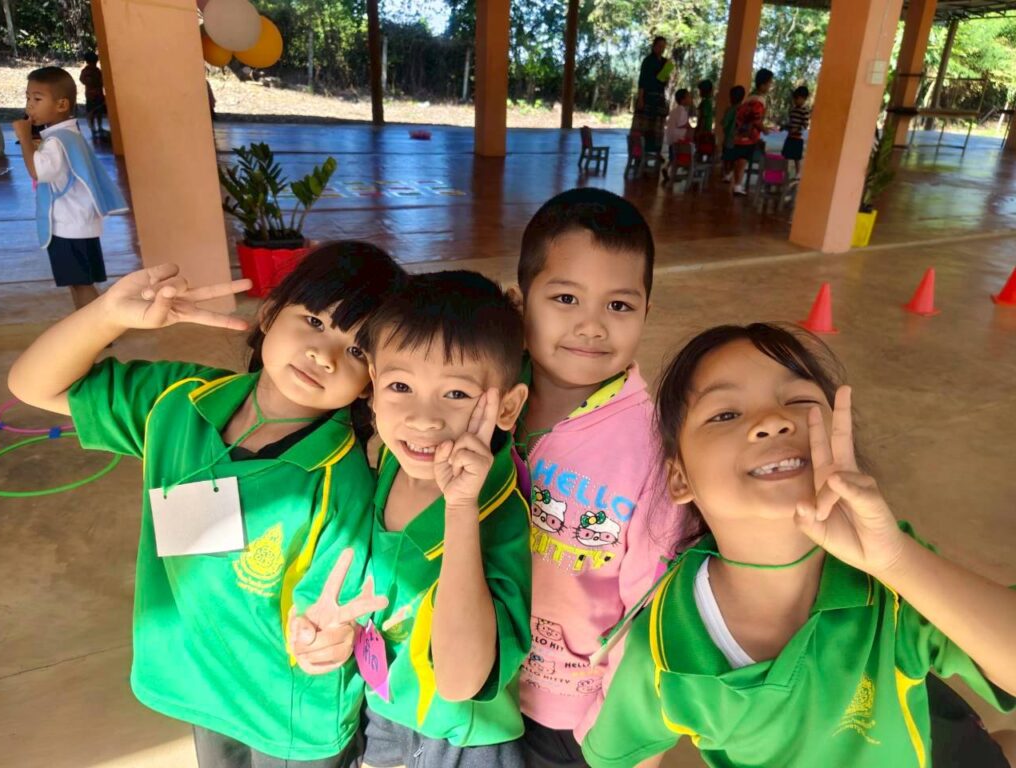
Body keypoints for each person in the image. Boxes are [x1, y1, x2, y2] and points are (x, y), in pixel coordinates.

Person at [7, 242, 407, 768]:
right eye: (314, 321)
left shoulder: (341, 482)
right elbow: (33, 384)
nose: (324, 355)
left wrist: (329, 639)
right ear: (270, 312)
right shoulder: (178, 401)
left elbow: (337, 611)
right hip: (200, 685)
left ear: (371, 384)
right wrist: (107, 315)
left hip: (287, 714)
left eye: (357, 352)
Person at [582, 323, 1016, 767]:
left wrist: (896, 560)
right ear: (679, 479)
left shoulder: (892, 581)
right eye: (725, 414)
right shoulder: (663, 645)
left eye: (799, 401)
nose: (773, 421)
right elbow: (622, 756)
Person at [513, 187, 683, 768]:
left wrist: (630, 742)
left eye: (619, 306)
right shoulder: (482, 394)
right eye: (565, 298)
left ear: (646, 312)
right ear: (521, 300)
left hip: (574, 718)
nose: (591, 326)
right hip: (475, 684)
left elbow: (650, 612)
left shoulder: (653, 449)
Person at [356, 270, 533, 768]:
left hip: (460, 738)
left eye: (455, 394)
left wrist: (459, 508)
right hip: (385, 703)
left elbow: (460, 682)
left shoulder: (500, 512)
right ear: (372, 385)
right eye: (400, 385)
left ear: (507, 407)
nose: (423, 418)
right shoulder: (390, 461)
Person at [12, 66, 127, 312]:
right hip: (79, 224)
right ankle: (92, 325)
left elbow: (37, 172)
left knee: (81, 285)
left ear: (62, 104)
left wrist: (24, 138)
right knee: (79, 283)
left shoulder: (57, 141)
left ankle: (97, 327)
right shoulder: (68, 134)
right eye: (28, 98)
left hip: (68, 229)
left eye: (37, 99)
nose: (29, 106)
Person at [731, 69, 774, 196]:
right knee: (743, 160)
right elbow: (756, 119)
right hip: (748, 136)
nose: (770, 86)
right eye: (769, 83)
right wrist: (764, 130)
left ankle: (737, 184)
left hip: (739, 134)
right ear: (763, 84)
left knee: (739, 160)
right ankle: (738, 185)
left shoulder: (749, 98)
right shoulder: (758, 101)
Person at [633, 37, 670, 155]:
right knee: (644, 127)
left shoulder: (665, 62)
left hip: (659, 99)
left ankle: (655, 154)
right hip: (647, 97)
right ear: (654, 46)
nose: (661, 48)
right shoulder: (648, 61)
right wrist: (641, 98)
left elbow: (665, 82)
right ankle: (640, 153)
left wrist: (667, 77)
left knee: (657, 129)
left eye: (664, 46)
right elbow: (642, 81)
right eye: (659, 46)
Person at [662, 88, 692, 183]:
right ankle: (674, 175)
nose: (690, 99)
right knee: (678, 158)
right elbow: (680, 124)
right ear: (683, 100)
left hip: (671, 138)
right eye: (688, 97)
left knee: (672, 157)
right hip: (678, 139)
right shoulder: (682, 111)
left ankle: (666, 168)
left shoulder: (674, 111)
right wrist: (689, 126)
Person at [782, 84, 811, 178]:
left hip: (798, 137)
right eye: (794, 99)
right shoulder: (793, 110)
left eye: (797, 98)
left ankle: (798, 173)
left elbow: (805, 125)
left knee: (796, 157)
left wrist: (797, 129)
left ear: (803, 99)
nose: (795, 101)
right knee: (785, 154)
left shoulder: (805, 111)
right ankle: (784, 171)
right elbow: (790, 122)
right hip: (790, 136)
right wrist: (785, 127)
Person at [720, 85, 746, 183]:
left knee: (727, 156)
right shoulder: (744, 110)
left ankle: (727, 173)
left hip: (729, 138)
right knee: (734, 158)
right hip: (738, 138)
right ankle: (730, 173)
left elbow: (724, 123)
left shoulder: (730, 110)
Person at [79, 51, 107, 138]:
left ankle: (96, 127)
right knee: (94, 112)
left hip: (94, 94)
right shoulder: (90, 71)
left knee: (96, 112)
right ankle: (95, 127)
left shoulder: (94, 71)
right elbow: (82, 80)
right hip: (94, 95)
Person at [694, 79, 716, 157]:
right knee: (704, 149)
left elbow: (702, 117)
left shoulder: (706, 102)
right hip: (704, 130)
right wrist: (700, 131)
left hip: (704, 130)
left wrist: (699, 130)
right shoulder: (706, 102)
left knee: (702, 148)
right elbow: (703, 117)